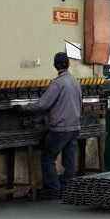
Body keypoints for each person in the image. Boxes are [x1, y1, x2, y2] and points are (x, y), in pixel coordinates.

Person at [22, 52, 82, 200]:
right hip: (74, 127)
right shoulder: (75, 82)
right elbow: (80, 103)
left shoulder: (57, 84)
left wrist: (23, 108)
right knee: (69, 160)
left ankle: (53, 190)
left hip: (60, 129)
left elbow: (43, 104)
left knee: (48, 158)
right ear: (68, 64)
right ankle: (67, 188)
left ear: (55, 65)